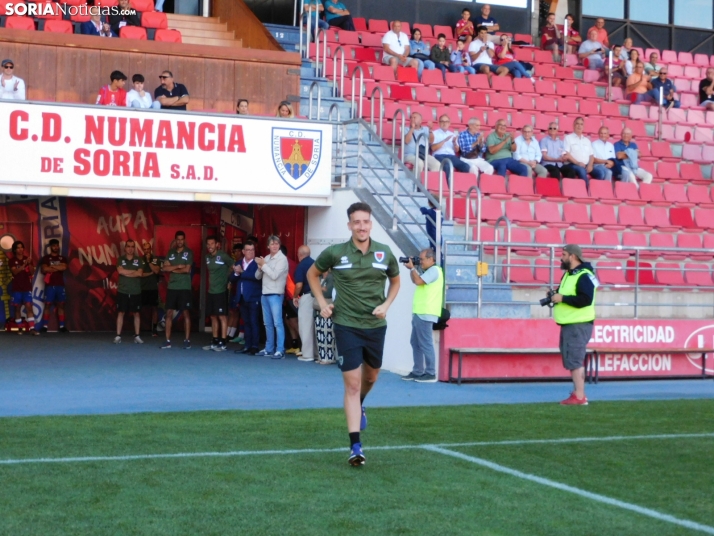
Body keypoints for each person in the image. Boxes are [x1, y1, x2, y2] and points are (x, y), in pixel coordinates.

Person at [307, 202, 401, 467]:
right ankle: (355, 447)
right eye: (356, 222)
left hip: (375, 327)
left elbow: (396, 281)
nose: (361, 226)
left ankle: (359, 404)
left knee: (370, 377)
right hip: (346, 325)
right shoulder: (335, 253)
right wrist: (322, 303)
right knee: (351, 383)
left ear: (371, 224)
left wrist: (386, 305)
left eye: (366, 222)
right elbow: (312, 274)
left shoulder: (384, 253)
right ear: (349, 225)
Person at [550, 244, 598, 406]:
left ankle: (579, 396)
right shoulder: (570, 275)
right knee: (572, 360)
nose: (561, 257)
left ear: (573, 256)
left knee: (576, 360)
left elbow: (586, 299)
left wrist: (562, 298)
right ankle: (578, 394)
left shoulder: (583, 275)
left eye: (564, 254)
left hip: (578, 324)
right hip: (570, 323)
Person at [402, 249, 443, 383]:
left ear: (431, 259)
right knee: (415, 342)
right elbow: (416, 280)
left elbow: (418, 281)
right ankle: (418, 371)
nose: (421, 262)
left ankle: (430, 372)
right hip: (420, 312)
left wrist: (413, 268)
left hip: (426, 312)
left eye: (422, 259)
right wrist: (412, 269)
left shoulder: (434, 270)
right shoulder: (428, 272)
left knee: (425, 344)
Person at [255, 236, 289, 359]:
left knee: (277, 323)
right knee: (267, 323)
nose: (274, 246)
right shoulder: (267, 258)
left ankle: (280, 350)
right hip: (265, 293)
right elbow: (257, 277)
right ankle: (269, 348)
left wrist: (263, 265)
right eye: (272, 244)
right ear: (268, 246)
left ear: (279, 245)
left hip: (275, 294)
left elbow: (274, 275)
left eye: (276, 244)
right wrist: (260, 267)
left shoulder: (282, 259)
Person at [160, 230, 193, 350]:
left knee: (186, 313)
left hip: (184, 287)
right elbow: (164, 267)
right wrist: (178, 266)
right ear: (175, 240)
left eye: (182, 239)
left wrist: (172, 269)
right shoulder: (170, 252)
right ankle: (167, 341)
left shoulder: (188, 252)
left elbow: (187, 270)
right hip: (172, 287)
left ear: (184, 240)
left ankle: (187, 340)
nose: (180, 241)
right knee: (168, 313)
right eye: (178, 239)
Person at [203, 236, 232, 352]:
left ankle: (223, 341)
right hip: (211, 291)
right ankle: (215, 340)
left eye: (212, 243)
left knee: (222, 316)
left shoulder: (223, 255)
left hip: (221, 290)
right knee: (213, 316)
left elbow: (233, 265)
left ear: (217, 244)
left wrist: (228, 279)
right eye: (208, 244)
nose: (210, 246)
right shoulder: (207, 258)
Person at [233, 241, 263, 355]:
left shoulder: (257, 263)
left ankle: (254, 346)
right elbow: (232, 279)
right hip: (242, 297)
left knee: (254, 322)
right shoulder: (239, 262)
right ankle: (247, 345)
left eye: (252, 250)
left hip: (254, 297)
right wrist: (236, 273)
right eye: (248, 250)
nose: (250, 252)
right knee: (246, 322)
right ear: (243, 251)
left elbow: (256, 277)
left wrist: (241, 272)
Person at [114, 239, 144, 345]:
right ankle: (118, 336)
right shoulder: (120, 259)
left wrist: (126, 272)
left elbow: (140, 273)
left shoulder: (139, 260)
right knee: (120, 312)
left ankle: (137, 336)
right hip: (123, 290)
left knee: (136, 313)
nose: (130, 249)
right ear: (125, 248)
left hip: (135, 291)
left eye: (132, 247)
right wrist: (133, 271)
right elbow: (120, 271)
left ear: (134, 248)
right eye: (128, 246)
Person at [38, 239, 68, 333]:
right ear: (50, 247)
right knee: (47, 305)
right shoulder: (46, 258)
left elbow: (64, 267)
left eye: (57, 245)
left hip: (60, 285)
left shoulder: (62, 258)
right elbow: (44, 269)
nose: (56, 247)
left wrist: (51, 267)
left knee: (61, 305)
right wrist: (57, 268)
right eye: (54, 246)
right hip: (50, 285)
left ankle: (62, 326)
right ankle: (45, 326)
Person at [562, 117, 604, 185]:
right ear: (574, 125)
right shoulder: (568, 138)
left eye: (581, 124)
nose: (579, 126)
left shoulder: (587, 140)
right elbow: (567, 154)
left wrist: (590, 165)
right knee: (582, 171)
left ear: (583, 126)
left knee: (600, 173)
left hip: (586, 165)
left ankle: (594, 192)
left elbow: (591, 155)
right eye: (577, 124)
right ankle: (585, 192)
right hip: (573, 164)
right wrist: (578, 163)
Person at [293, 245, 316, 363]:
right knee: (315, 326)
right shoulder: (315, 263)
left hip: (307, 296)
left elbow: (299, 285)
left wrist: (294, 296)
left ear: (299, 254)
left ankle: (307, 354)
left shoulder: (301, 266)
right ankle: (316, 352)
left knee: (305, 326)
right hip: (318, 297)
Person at [9, 241, 37, 335]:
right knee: (18, 308)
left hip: (26, 287)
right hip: (17, 288)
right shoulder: (12, 260)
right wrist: (24, 265)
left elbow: (32, 273)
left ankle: (32, 328)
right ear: (14, 250)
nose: (20, 249)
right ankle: (20, 328)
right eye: (18, 248)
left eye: (22, 247)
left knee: (29, 307)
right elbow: (15, 272)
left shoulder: (27, 259)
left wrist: (29, 264)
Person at [313, 270, 337, 365]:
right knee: (320, 334)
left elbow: (329, 292)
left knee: (328, 335)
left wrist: (319, 290)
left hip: (327, 310)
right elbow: (312, 292)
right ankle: (322, 356)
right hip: (318, 312)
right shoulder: (320, 278)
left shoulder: (331, 277)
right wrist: (321, 289)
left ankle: (328, 358)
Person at [140, 241, 160, 337]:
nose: (147, 251)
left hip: (153, 288)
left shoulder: (156, 259)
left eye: (148, 249)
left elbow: (156, 271)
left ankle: (155, 329)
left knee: (154, 308)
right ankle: (138, 330)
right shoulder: (139, 260)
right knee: (139, 309)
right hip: (142, 288)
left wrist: (149, 262)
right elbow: (140, 274)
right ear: (143, 250)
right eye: (145, 249)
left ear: (151, 249)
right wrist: (150, 273)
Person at [227, 243, 244, 343]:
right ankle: (228, 333)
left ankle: (233, 334)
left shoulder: (242, 262)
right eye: (234, 251)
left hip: (240, 292)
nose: (236, 253)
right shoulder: (236, 262)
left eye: (238, 251)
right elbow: (231, 277)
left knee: (237, 313)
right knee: (232, 312)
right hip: (234, 291)